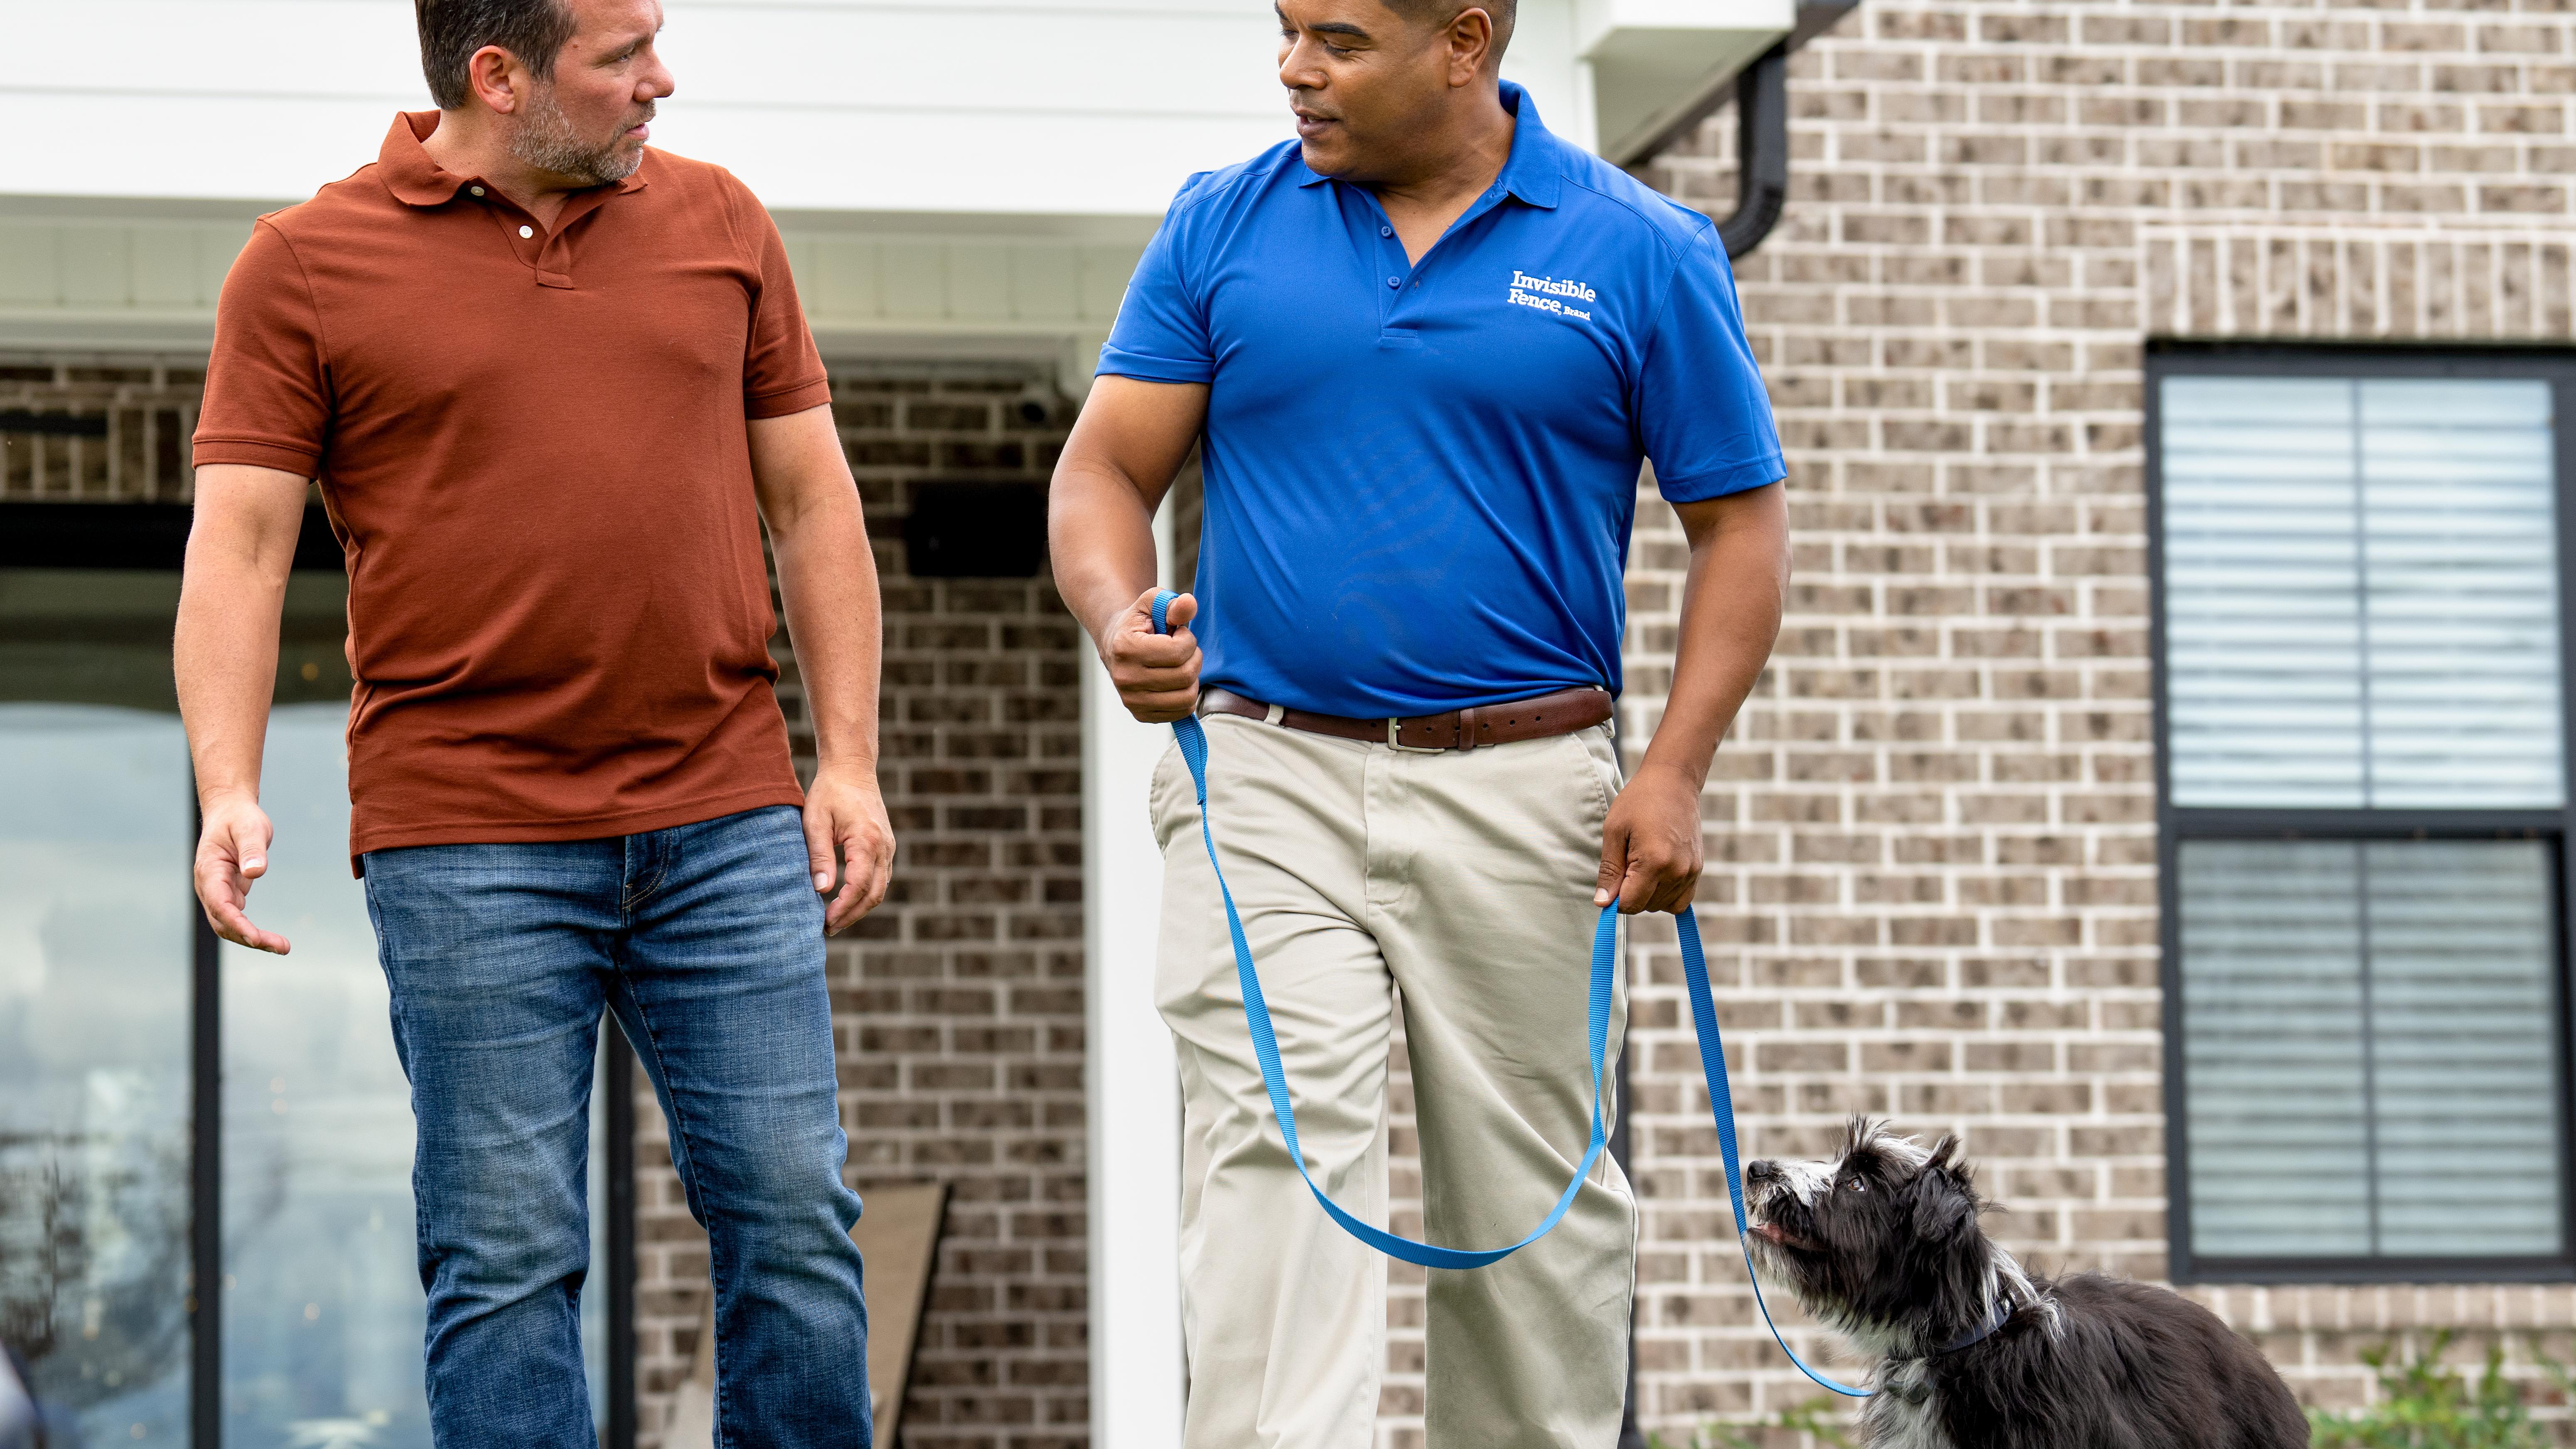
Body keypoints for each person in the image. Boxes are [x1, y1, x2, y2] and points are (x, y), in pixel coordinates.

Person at [1048, 0, 1790, 1444]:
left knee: (1531, 1212)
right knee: (1275, 1157)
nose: (1293, 69)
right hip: (1263, 779)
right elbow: (1104, 473)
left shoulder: (1640, 250)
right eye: (1283, 30)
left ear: (1464, 40)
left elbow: (1742, 534)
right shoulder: (1223, 226)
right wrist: (1116, 610)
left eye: (1336, 38)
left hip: (1532, 794)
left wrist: (1677, 772)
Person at [175, 0, 887, 1442]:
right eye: (621, 57)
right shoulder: (306, 264)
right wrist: (228, 783)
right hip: (468, 836)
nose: (661, 79)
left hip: (723, 814)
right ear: (499, 76)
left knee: (796, 1217)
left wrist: (850, 762)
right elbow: (240, 549)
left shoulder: (723, 224)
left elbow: (814, 504)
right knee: (504, 1256)